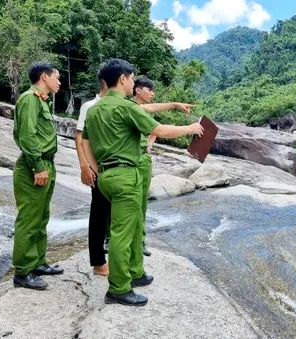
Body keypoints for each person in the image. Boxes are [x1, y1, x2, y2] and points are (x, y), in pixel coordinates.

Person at [81, 58, 203, 306]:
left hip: (108, 175)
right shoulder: (126, 107)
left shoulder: (94, 110)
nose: (134, 82)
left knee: (135, 225)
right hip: (126, 175)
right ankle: (118, 288)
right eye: (133, 78)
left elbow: (86, 142)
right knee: (121, 234)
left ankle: (136, 271)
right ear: (123, 79)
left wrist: (96, 170)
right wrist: (190, 128)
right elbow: (159, 130)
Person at [103, 77, 195, 257]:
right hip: (127, 160)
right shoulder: (127, 106)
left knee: (141, 202)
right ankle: (113, 240)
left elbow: (152, 122)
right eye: (149, 89)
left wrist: (174, 105)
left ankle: (139, 240)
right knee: (123, 202)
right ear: (136, 89)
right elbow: (156, 124)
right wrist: (189, 128)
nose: (152, 93)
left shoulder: (132, 107)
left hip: (141, 157)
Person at [12, 62, 63, 290]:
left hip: (46, 164)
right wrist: (37, 167)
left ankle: (38, 261)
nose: (59, 81)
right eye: (57, 77)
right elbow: (27, 136)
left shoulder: (42, 100)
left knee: (41, 217)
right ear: (44, 76)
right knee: (29, 219)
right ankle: (23, 272)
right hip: (35, 166)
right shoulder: (29, 99)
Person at [75, 70, 110, 276]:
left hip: (113, 169)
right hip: (97, 168)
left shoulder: (120, 106)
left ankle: (111, 254)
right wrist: (84, 166)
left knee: (112, 214)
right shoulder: (89, 106)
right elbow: (79, 138)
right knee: (99, 213)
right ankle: (98, 262)